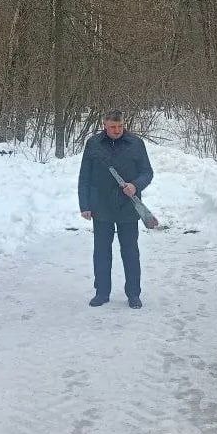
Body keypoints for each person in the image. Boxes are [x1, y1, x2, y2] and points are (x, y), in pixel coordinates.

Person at [78, 110, 154, 309]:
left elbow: (147, 172)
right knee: (101, 252)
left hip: (128, 207)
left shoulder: (136, 143)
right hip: (101, 206)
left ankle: (134, 294)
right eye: (113, 126)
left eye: (120, 126)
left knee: (130, 252)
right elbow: (84, 176)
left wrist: (136, 185)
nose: (117, 130)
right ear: (104, 125)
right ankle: (102, 293)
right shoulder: (93, 144)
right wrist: (85, 205)